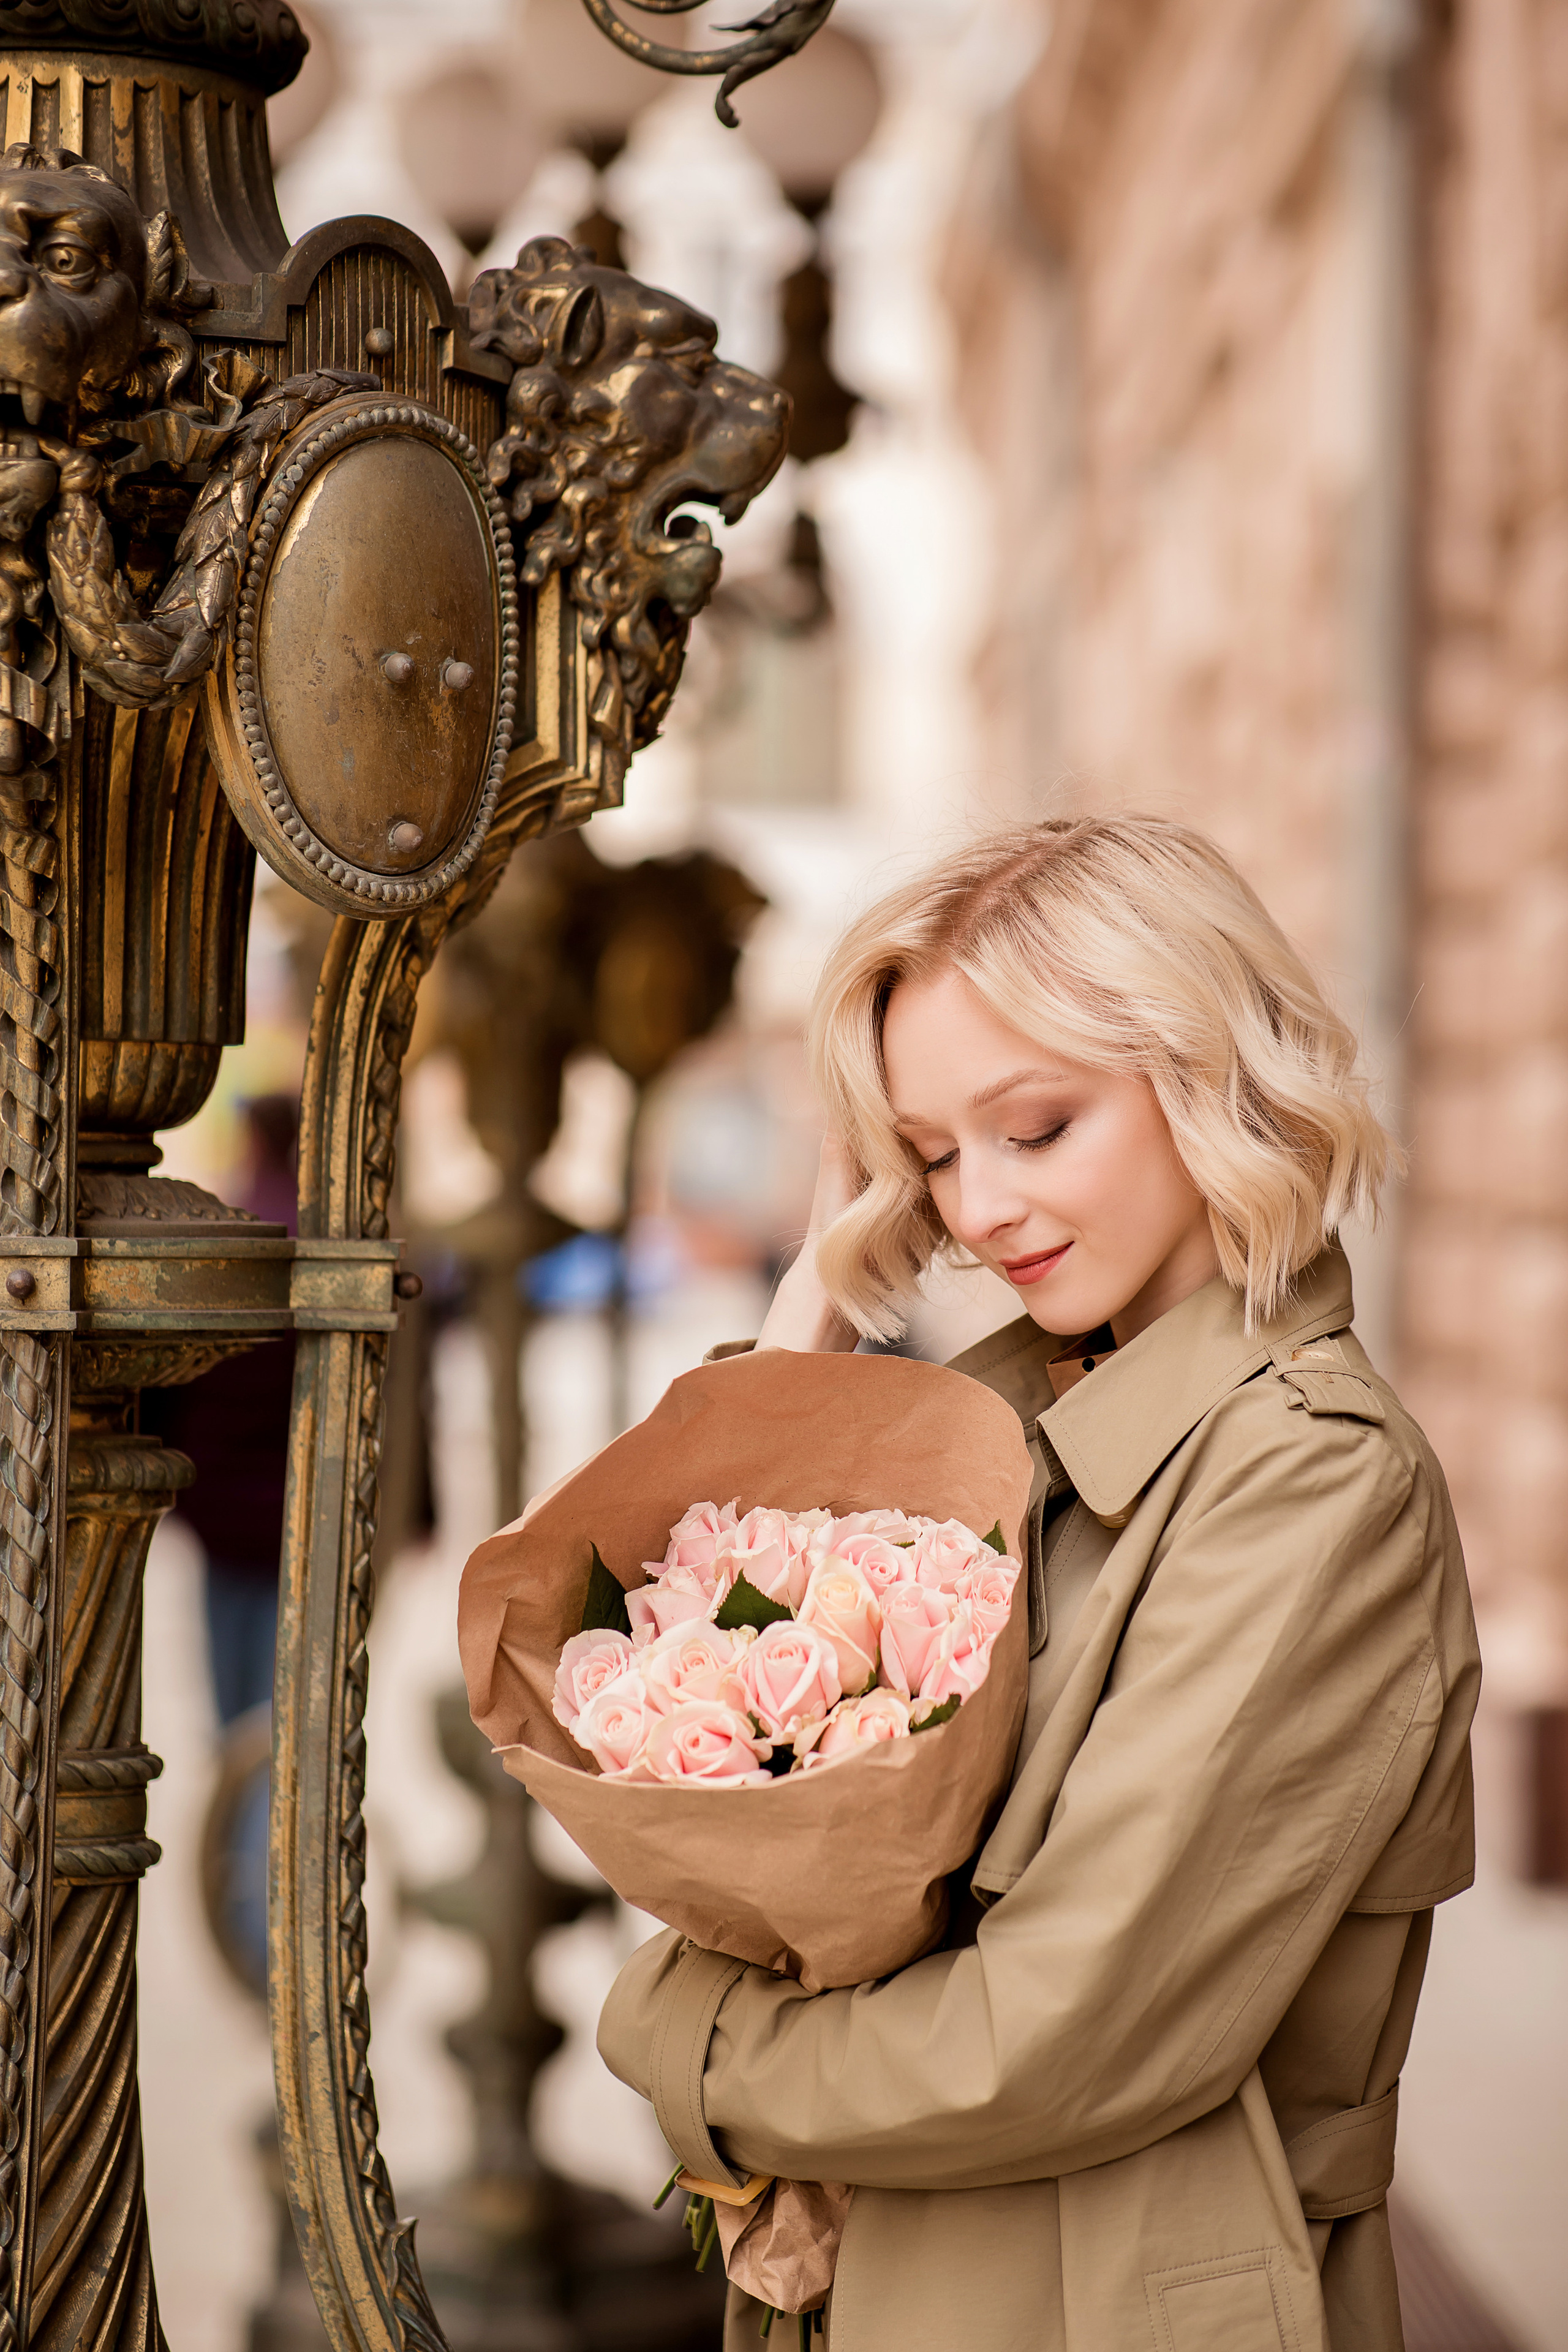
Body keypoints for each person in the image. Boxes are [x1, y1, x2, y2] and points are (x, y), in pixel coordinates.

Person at [594, 816, 1479, 2352]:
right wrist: (804, 1324)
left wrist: (685, 2038)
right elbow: (672, 1674)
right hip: (895, 2271)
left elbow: (1053, 2037)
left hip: (1115, 2298)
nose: (976, 1207)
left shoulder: (1310, 1482)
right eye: (929, 1153)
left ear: (1204, 1075)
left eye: (1036, 1126)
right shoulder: (998, 1436)